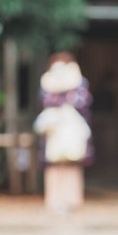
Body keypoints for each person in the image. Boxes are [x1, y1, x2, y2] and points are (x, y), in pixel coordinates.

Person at [33, 53, 94, 212]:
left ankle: (73, 199)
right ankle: (53, 199)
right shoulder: (47, 83)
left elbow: (83, 102)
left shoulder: (79, 84)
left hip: (72, 130)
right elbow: (45, 100)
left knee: (73, 165)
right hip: (54, 130)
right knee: (53, 166)